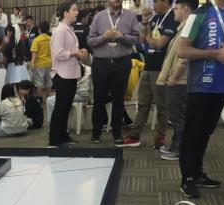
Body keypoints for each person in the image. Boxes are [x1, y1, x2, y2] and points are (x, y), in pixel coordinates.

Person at [175, 0, 224, 198]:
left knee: (206, 132)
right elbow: (182, 50)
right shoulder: (199, 14)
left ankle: (197, 174)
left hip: (221, 84)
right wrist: (215, 53)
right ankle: (187, 178)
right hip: (200, 84)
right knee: (192, 132)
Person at [120, 0, 176, 148]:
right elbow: (141, 39)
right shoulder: (155, 18)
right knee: (143, 104)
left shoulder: (172, 19)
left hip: (161, 68)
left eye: (156, 2)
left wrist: (149, 39)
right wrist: (145, 22)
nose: (153, 5)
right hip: (148, 66)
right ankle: (134, 135)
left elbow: (159, 44)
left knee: (161, 106)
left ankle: (160, 137)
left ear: (166, 2)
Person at [88, 0, 139, 145]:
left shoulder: (131, 16)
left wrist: (122, 36)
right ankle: (96, 133)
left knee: (118, 100)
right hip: (101, 63)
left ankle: (117, 133)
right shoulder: (99, 17)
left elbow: (136, 39)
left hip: (122, 62)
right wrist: (104, 37)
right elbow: (90, 41)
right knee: (98, 99)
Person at [156, 0, 197, 162]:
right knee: (178, 117)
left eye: (177, 9)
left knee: (179, 118)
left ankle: (181, 150)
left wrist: (173, 77)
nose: (175, 12)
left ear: (186, 9)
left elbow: (184, 57)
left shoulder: (189, 28)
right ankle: (176, 145)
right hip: (178, 79)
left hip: (180, 81)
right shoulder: (184, 28)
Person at [49, 1, 89, 148]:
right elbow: (59, 54)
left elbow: (71, 51)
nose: (77, 12)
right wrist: (75, 53)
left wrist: (80, 53)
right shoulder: (59, 31)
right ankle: (54, 139)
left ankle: (63, 136)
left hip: (71, 73)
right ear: (66, 13)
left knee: (66, 107)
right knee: (60, 107)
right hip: (62, 75)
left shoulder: (69, 29)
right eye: (74, 10)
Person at [30, 21, 53, 97]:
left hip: (39, 64)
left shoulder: (36, 40)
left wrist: (32, 63)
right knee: (49, 82)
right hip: (50, 63)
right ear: (48, 29)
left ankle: (40, 101)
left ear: (39, 29)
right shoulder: (51, 39)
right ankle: (50, 100)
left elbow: (34, 53)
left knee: (39, 83)